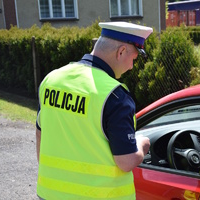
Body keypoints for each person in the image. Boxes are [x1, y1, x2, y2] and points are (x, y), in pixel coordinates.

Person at [35, 21, 152, 199]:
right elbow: (126, 161)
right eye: (134, 59)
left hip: (49, 194)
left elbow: (40, 134)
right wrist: (143, 144)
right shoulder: (115, 96)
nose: (131, 66)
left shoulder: (52, 80)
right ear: (121, 52)